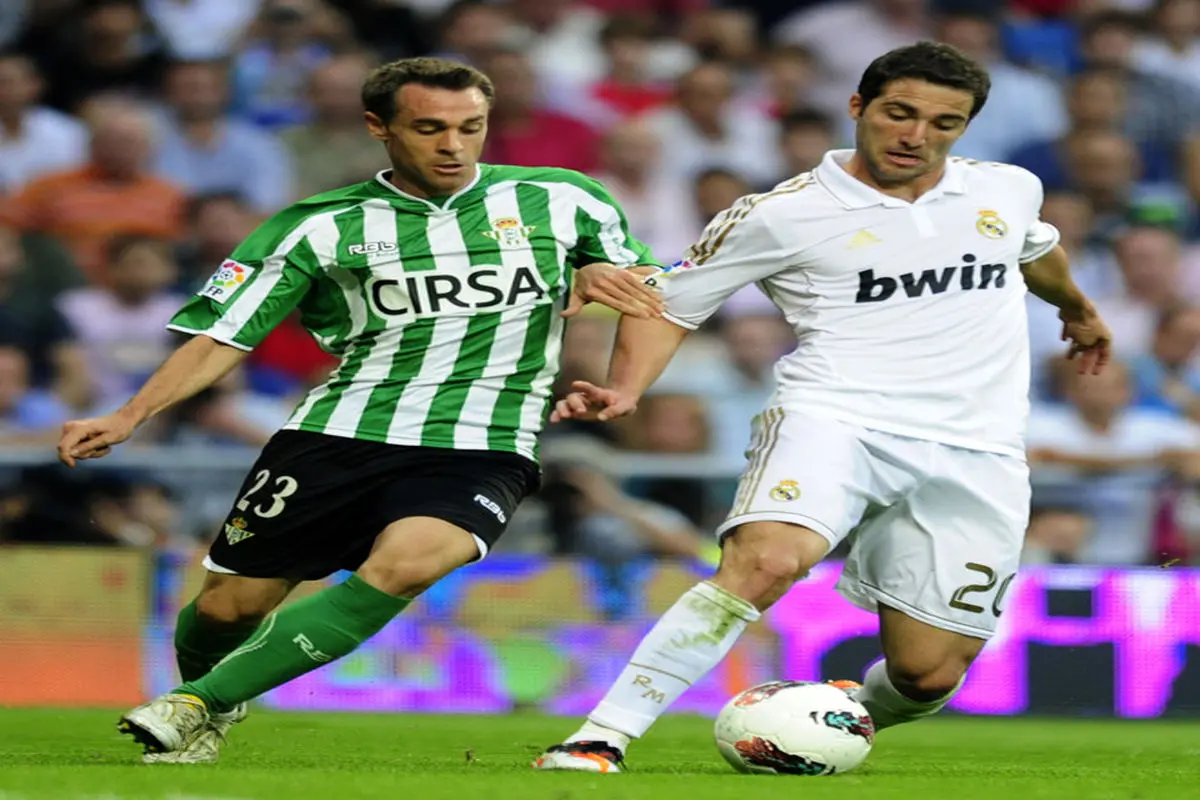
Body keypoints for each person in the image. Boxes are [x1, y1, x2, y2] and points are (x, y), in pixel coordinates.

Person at [56, 56, 664, 765]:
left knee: (403, 567)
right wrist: (130, 415)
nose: (453, 146)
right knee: (227, 607)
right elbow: (225, 334)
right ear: (379, 127)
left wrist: (625, 380)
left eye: (471, 127)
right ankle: (214, 696)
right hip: (338, 432)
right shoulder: (317, 226)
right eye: (429, 129)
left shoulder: (565, 200)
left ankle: (194, 704)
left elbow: (649, 289)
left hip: (484, 441)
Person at [534, 41, 1113, 773]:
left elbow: (1035, 251)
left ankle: (835, 716)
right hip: (837, 418)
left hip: (979, 447)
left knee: (928, 673)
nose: (916, 136)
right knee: (766, 562)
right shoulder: (782, 214)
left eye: (944, 123)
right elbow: (669, 303)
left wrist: (1077, 308)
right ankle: (599, 737)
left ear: (965, 127)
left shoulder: (1007, 188)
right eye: (900, 113)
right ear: (858, 106)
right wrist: (626, 388)